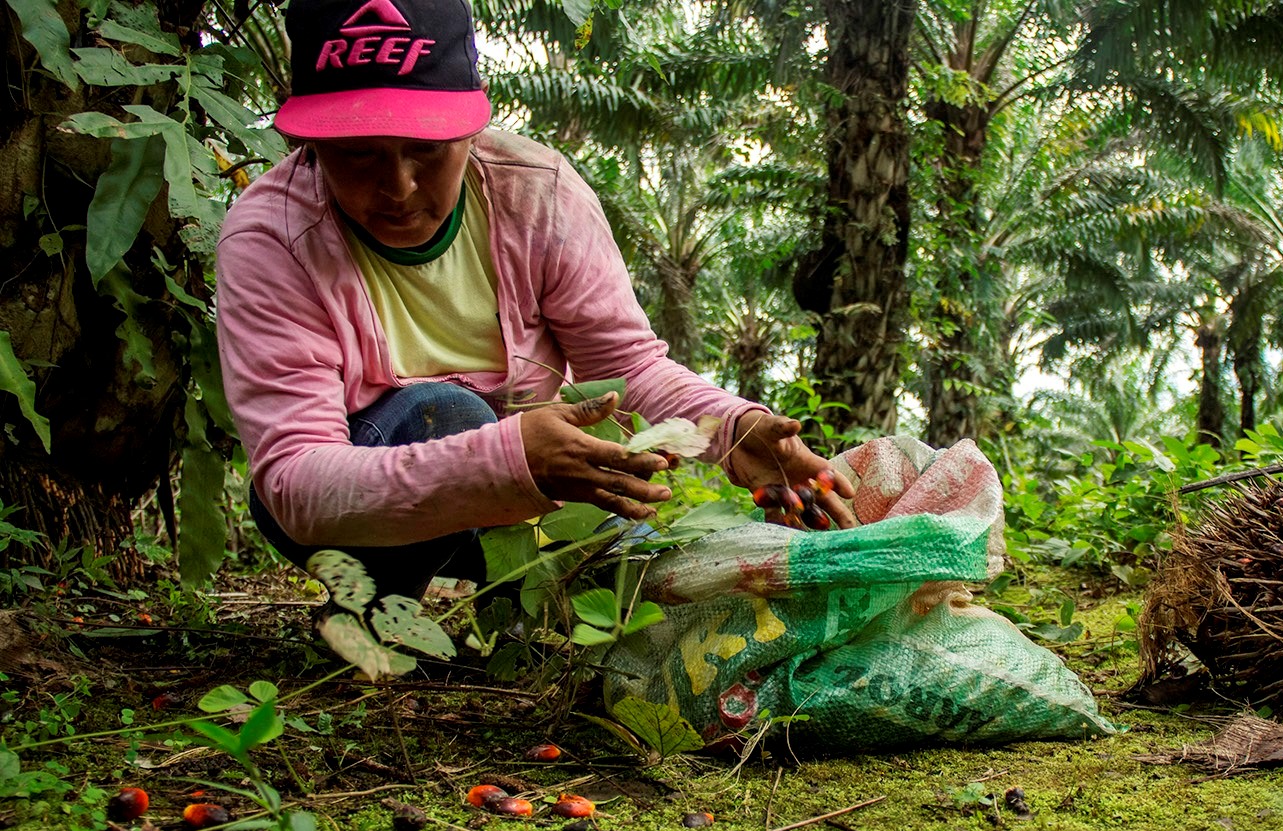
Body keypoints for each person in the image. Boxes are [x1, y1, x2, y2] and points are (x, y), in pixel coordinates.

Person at [214, 0, 855, 607]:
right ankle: (378, 608)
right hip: (370, 513)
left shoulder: (537, 197)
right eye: (358, 156)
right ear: (310, 145)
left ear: (469, 130)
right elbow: (295, 482)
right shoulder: (273, 240)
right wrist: (513, 457)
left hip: (539, 498)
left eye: (428, 151)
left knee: (662, 579)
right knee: (446, 411)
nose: (400, 186)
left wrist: (732, 428)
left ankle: (518, 594)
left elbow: (627, 366)